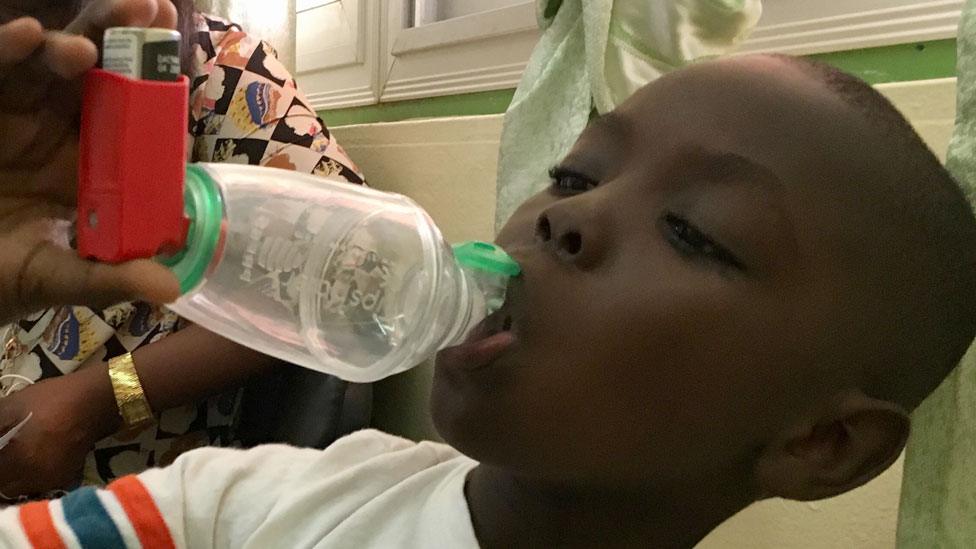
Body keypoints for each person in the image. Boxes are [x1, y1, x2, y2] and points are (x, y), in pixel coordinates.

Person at [2, 50, 975, 547]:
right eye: (573, 172)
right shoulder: (267, 501)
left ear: (819, 445)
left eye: (693, 231)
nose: (568, 219)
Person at [0, 0, 365, 500]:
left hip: (126, 488)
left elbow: (345, 274)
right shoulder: (17, 80)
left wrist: (100, 401)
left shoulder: (223, 71)